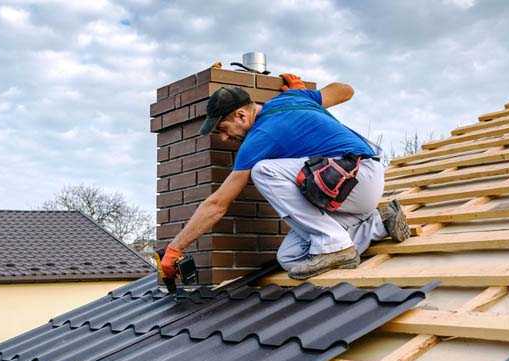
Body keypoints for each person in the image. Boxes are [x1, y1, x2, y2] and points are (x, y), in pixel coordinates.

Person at [160, 73, 409, 281]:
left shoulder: (260, 137)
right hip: (353, 190)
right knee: (290, 257)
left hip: (356, 176)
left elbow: (217, 205)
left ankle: (335, 245)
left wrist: (176, 248)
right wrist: (308, 99)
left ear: (241, 116)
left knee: (263, 170)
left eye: (223, 129)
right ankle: (379, 222)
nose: (224, 138)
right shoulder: (293, 98)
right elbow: (346, 90)